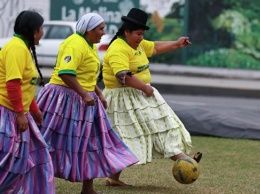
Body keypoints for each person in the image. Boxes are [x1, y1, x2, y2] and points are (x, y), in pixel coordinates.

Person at [36, 13, 139, 194]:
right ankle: (37, 182)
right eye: (100, 29)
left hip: (85, 101)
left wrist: (98, 93)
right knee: (47, 141)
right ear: (88, 30)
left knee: (90, 142)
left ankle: (88, 189)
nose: (103, 33)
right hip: (63, 100)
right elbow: (66, 73)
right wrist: (84, 94)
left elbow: (88, 75)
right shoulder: (75, 44)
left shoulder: (90, 45)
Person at [101, 8, 202, 186]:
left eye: (142, 34)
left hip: (140, 95)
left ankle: (183, 159)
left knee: (161, 125)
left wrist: (177, 44)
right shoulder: (118, 48)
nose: (141, 38)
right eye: (138, 34)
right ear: (127, 32)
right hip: (123, 98)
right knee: (129, 136)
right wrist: (144, 88)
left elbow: (154, 47)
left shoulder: (137, 44)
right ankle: (185, 161)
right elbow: (123, 76)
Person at [0, 10, 55, 193]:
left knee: (34, 156)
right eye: (41, 28)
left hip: (18, 112)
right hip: (7, 113)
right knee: (8, 160)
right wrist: (19, 114)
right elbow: (13, 84)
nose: (42, 32)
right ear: (34, 31)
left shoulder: (24, 47)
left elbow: (26, 85)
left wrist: (34, 109)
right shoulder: (16, 48)